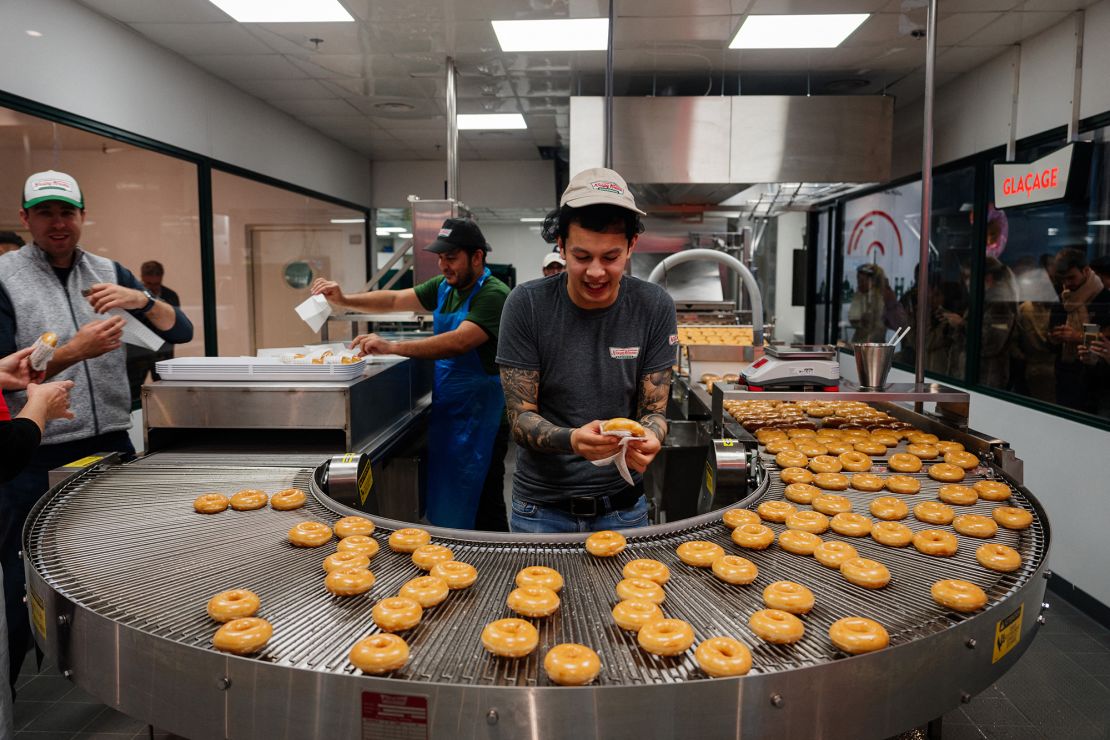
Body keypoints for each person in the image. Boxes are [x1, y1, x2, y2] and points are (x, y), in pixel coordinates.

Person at [0, 170, 193, 691]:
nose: (57, 224)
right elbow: (2, 369)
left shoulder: (108, 271)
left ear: (83, 215)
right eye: (45, 213)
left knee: (124, 554)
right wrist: (74, 351)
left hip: (109, 437)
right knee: (25, 575)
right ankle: (12, 693)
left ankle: (128, 675)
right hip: (34, 446)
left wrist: (142, 301)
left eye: (67, 212)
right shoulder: (4, 278)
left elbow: (181, 329)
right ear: (26, 219)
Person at [496, 167, 676, 533]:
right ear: (560, 246)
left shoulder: (653, 305)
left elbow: (654, 411)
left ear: (631, 247)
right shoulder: (527, 305)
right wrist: (573, 440)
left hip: (623, 510)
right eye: (581, 257)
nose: (596, 272)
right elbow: (520, 419)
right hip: (541, 511)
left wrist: (653, 436)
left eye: (610, 257)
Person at [311, 218, 510, 531]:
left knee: (485, 502)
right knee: (450, 494)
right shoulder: (445, 288)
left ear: (477, 257)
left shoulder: (494, 294)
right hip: (450, 411)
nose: (444, 265)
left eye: (452, 257)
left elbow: (459, 341)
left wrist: (392, 346)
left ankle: (498, 565)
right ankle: (453, 560)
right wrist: (344, 299)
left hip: (482, 417)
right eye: (441, 258)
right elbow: (393, 299)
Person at [1048, 247, 1110, 412]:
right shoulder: (1063, 299)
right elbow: (1051, 345)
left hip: (1096, 387)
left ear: (1086, 270)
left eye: (1072, 277)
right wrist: (1053, 338)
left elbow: (1105, 341)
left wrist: (1077, 337)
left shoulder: (1104, 300)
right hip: (1065, 380)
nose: (1067, 284)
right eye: (1063, 279)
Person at [125, 260, 182, 404]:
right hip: (138, 352)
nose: (152, 289)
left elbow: (175, 325)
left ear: (162, 278)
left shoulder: (171, 296)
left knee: (166, 392)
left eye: (156, 285)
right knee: (134, 393)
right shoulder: (133, 297)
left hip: (163, 351)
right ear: (142, 278)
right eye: (148, 284)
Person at [847, 263, 905, 343]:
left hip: (873, 346)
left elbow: (879, 329)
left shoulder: (881, 297)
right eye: (858, 280)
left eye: (862, 280)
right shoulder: (860, 295)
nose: (859, 284)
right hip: (860, 342)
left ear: (872, 281)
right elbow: (852, 318)